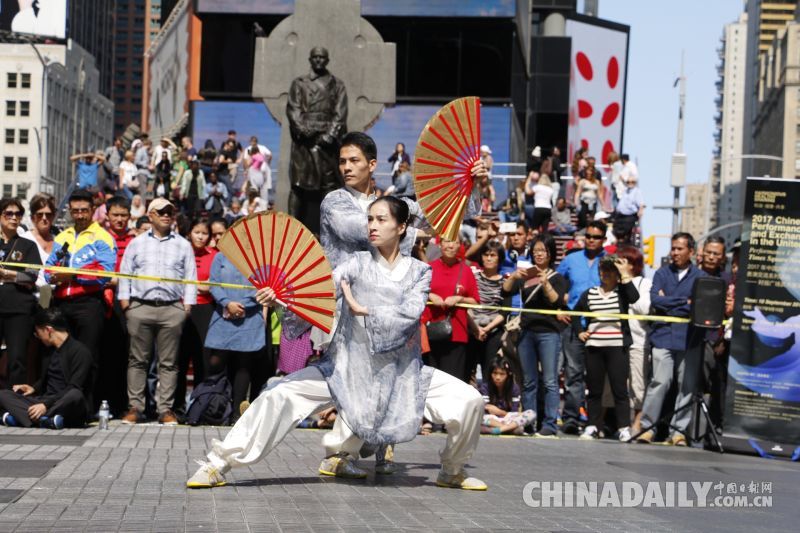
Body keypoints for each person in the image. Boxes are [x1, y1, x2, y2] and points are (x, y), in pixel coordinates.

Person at [187, 196, 487, 491]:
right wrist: (282, 300)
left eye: (381, 220)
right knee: (279, 394)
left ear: (402, 227)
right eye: (370, 219)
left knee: (470, 401)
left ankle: (452, 469)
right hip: (346, 367)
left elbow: (408, 317)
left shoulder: (420, 271)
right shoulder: (354, 264)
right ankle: (217, 463)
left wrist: (364, 310)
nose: (372, 226)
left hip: (401, 373)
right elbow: (317, 294)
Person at [118, 198, 197, 425]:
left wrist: (186, 307)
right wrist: (126, 304)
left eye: (170, 211)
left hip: (171, 308)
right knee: (137, 360)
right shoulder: (137, 243)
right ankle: (135, 407)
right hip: (140, 306)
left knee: (169, 363)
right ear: (150, 215)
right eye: (161, 211)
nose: (166, 215)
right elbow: (126, 273)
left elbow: (190, 277)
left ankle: (165, 410)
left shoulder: (183, 244)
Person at [45, 189, 116, 399]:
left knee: (87, 355)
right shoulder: (63, 236)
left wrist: (72, 276)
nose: (79, 215)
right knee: (61, 354)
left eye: (84, 210)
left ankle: (85, 405)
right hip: (61, 302)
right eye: (75, 211)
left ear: (93, 210)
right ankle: (59, 401)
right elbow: (49, 269)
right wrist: (54, 276)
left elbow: (105, 273)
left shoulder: (103, 237)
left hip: (89, 303)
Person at [637, 233, 706, 446]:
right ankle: (647, 428)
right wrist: (683, 302)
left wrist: (670, 301)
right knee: (659, 382)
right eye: (673, 248)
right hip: (663, 336)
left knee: (686, 386)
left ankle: (678, 432)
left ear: (691, 252)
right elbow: (656, 300)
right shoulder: (661, 273)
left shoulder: (701, 277)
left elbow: (697, 305)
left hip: (689, 338)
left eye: (679, 249)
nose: (674, 253)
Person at [502, 233, 567, 436]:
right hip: (526, 331)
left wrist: (545, 282)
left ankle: (549, 423)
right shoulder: (526, 275)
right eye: (536, 250)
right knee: (529, 380)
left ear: (550, 254)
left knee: (549, 380)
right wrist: (513, 276)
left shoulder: (557, 278)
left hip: (549, 333)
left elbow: (557, 301)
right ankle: (529, 422)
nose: (539, 254)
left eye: (543, 251)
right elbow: (505, 292)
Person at [573, 256, 639, 442]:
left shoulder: (622, 292)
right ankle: (592, 425)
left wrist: (624, 274)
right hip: (594, 346)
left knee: (620, 390)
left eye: (610, 270)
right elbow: (576, 313)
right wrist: (580, 332)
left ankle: (624, 427)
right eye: (602, 270)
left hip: (617, 347)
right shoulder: (590, 293)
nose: (605, 274)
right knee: (594, 389)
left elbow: (634, 297)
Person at [287, 46, 348, 234]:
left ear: (327, 60)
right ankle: (291, 228)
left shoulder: (337, 85)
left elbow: (341, 112)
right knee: (298, 186)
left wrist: (329, 136)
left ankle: (330, 230)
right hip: (303, 145)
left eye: (323, 57)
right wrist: (305, 131)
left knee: (329, 188)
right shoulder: (299, 83)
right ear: (310, 59)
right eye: (316, 57)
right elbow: (293, 109)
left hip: (327, 145)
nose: (319, 60)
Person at [0, 308, 92, 429]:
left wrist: (45, 405)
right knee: (3, 394)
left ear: (48, 330)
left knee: (75, 395)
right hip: (44, 401)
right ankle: (46, 421)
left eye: (38, 333)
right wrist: (33, 388)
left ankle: (26, 419)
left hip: (64, 404)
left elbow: (74, 387)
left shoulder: (80, 352)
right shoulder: (49, 351)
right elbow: (48, 379)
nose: (38, 337)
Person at [556, 220, 607, 434]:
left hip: (601, 325)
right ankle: (571, 417)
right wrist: (559, 308)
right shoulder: (571, 260)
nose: (591, 240)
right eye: (588, 236)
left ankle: (597, 421)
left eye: (596, 237)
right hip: (573, 326)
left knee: (598, 376)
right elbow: (555, 284)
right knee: (573, 373)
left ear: (603, 239)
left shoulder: (610, 261)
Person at [204, 251, 266, 423]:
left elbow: (263, 286)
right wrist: (227, 303)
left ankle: (237, 413)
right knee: (216, 362)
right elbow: (214, 284)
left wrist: (241, 306)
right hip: (222, 314)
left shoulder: (260, 258)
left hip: (250, 316)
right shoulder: (220, 256)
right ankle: (213, 406)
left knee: (243, 365)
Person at [174, 219, 217, 417]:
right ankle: (177, 405)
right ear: (189, 232)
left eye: (204, 233)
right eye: (197, 232)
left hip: (206, 309)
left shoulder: (215, 256)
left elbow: (213, 285)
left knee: (203, 358)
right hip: (181, 307)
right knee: (179, 358)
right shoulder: (180, 251)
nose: (201, 236)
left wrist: (194, 284)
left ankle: (199, 404)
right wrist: (199, 285)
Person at [97, 196, 135, 415]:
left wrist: (118, 279)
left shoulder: (135, 240)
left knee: (124, 355)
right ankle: (100, 402)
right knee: (103, 353)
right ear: (107, 215)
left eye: (123, 215)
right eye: (115, 215)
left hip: (127, 302)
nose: (120, 220)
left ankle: (122, 404)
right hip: (102, 300)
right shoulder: (100, 237)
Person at [424, 236, 480, 382]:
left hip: (456, 334)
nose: (451, 246)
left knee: (453, 381)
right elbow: (416, 292)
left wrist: (459, 299)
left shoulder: (466, 270)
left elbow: (475, 300)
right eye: (447, 241)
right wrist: (431, 295)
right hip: (431, 332)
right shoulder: (429, 268)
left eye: (455, 242)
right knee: (432, 381)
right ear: (440, 245)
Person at [0, 198, 41, 387]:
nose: (14, 217)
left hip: (18, 309)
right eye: (9, 213)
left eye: (18, 214)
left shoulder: (28, 246)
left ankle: (12, 406)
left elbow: (31, 277)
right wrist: (18, 275)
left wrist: (6, 274)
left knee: (17, 359)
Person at [615, 245, 651, 434]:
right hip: (614, 342)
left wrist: (627, 282)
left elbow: (644, 308)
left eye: (624, 262)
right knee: (617, 385)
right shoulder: (613, 282)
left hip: (638, 341)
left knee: (637, 384)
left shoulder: (644, 283)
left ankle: (638, 422)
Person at [466, 240, 508, 383]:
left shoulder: (505, 282)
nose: (489, 258)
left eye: (493, 255)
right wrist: (476, 329)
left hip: (493, 331)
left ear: (499, 258)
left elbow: (504, 311)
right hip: (472, 328)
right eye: (486, 255)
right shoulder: (473, 276)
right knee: (467, 371)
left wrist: (487, 329)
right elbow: (467, 304)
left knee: (488, 371)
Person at [479, 356, 534, 435]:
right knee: (478, 417)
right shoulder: (485, 387)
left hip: (508, 418)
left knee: (531, 413)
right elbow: (486, 410)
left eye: (502, 374)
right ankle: (510, 429)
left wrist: (501, 412)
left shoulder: (514, 388)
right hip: (491, 419)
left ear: (508, 375)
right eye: (495, 373)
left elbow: (514, 411)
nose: (498, 377)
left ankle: (497, 430)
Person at [614, 172, 645, 243]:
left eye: (632, 182)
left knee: (626, 235)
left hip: (629, 217)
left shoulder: (637, 191)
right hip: (620, 216)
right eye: (628, 182)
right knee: (617, 233)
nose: (630, 183)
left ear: (635, 183)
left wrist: (640, 212)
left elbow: (641, 204)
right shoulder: (626, 190)